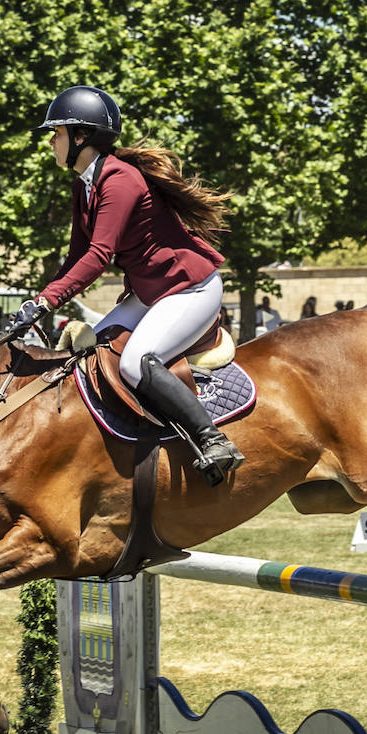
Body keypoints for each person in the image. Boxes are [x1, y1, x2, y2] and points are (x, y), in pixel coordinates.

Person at [19, 85, 242, 483]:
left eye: (57, 133)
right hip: (150, 291)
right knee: (84, 359)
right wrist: (37, 301)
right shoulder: (84, 185)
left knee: (135, 364)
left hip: (190, 288)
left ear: (81, 137)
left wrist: (48, 302)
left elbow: (98, 255)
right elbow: (75, 256)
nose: (52, 141)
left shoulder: (119, 180)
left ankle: (212, 439)